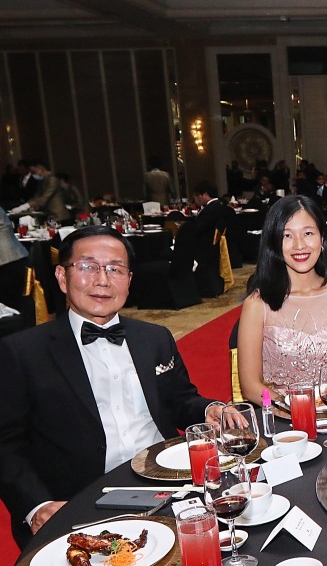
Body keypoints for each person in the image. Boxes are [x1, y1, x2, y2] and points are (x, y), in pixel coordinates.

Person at [0, 227, 230, 545]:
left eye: (115, 269)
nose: (102, 280)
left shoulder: (155, 338)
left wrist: (208, 409)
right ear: (62, 277)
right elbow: (6, 445)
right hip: (80, 502)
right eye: (88, 266)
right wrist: (37, 506)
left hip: (169, 486)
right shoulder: (22, 352)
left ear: (129, 280)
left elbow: (179, 400)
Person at [237, 195, 327, 404]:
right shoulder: (258, 304)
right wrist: (293, 410)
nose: (299, 245)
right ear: (274, 243)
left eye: (308, 233)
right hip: (284, 417)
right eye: (287, 235)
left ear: (322, 238)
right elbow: (250, 387)